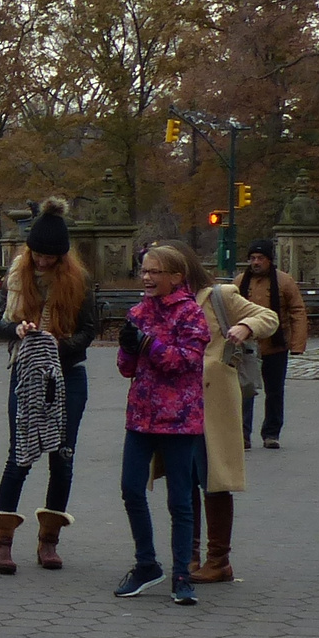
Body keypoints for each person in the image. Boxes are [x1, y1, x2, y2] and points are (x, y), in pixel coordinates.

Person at [0, 198, 97, 573]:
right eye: (38, 255)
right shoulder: (17, 278)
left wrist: (57, 344)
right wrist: (18, 330)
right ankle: (0, 544)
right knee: (20, 453)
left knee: (62, 456)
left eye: (51, 257)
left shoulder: (78, 281)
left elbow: (89, 329)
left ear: (63, 257)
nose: (43, 262)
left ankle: (49, 541)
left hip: (68, 374)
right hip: (26, 373)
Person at [163, 241, 276, 584]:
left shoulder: (218, 295)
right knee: (183, 480)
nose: (150, 276)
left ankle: (219, 559)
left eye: (159, 270)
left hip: (212, 403)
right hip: (176, 404)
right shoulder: (161, 304)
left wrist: (245, 327)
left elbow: (267, 316)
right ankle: (190, 554)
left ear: (180, 271)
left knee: (214, 479)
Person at [115, 244, 210, 605]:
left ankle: (182, 574)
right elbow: (127, 369)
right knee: (131, 488)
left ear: (176, 277)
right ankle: (146, 564)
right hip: (141, 416)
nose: (147, 277)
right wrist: (128, 348)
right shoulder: (138, 312)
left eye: (155, 272)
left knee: (181, 500)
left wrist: (148, 345)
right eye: (144, 271)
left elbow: (185, 361)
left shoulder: (190, 314)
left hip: (180, 420)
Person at [234, 240, 307, 449]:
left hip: (275, 345)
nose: (256, 263)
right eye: (253, 258)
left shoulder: (284, 281)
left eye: (260, 258)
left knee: (274, 391)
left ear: (269, 260)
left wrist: (297, 344)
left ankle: (271, 433)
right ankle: (242, 434)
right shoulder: (240, 281)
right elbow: (230, 309)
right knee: (245, 390)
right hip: (246, 346)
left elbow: (297, 311)